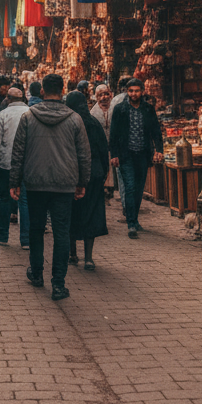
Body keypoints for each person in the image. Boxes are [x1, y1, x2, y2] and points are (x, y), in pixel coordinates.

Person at [10, 74, 90, 301]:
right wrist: (82, 182)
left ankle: (36, 273)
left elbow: (18, 153)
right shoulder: (75, 119)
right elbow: (84, 155)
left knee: (36, 229)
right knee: (61, 232)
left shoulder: (28, 117)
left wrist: (14, 182)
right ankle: (58, 283)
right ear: (62, 91)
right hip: (64, 184)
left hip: (35, 183)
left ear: (42, 92)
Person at [109, 78, 164, 239]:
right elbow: (114, 134)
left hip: (143, 154)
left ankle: (135, 219)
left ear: (142, 91)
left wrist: (158, 150)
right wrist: (114, 155)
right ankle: (131, 223)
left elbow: (156, 131)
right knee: (130, 187)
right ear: (127, 92)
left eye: (136, 91)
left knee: (139, 189)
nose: (134, 94)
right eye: (131, 91)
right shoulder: (120, 109)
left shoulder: (148, 109)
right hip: (126, 155)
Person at [65, 91, 109, 270]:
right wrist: (104, 173)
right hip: (94, 174)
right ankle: (88, 258)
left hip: (71, 175)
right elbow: (103, 150)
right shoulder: (94, 123)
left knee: (70, 213)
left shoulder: (68, 124)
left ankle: (72, 253)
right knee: (92, 214)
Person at [0, 86, 30, 247]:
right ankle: (26, 239)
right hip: (26, 163)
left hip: (6, 163)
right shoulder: (31, 113)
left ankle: (2, 234)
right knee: (25, 200)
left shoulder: (3, 114)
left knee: (4, 198)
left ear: (8, 99)